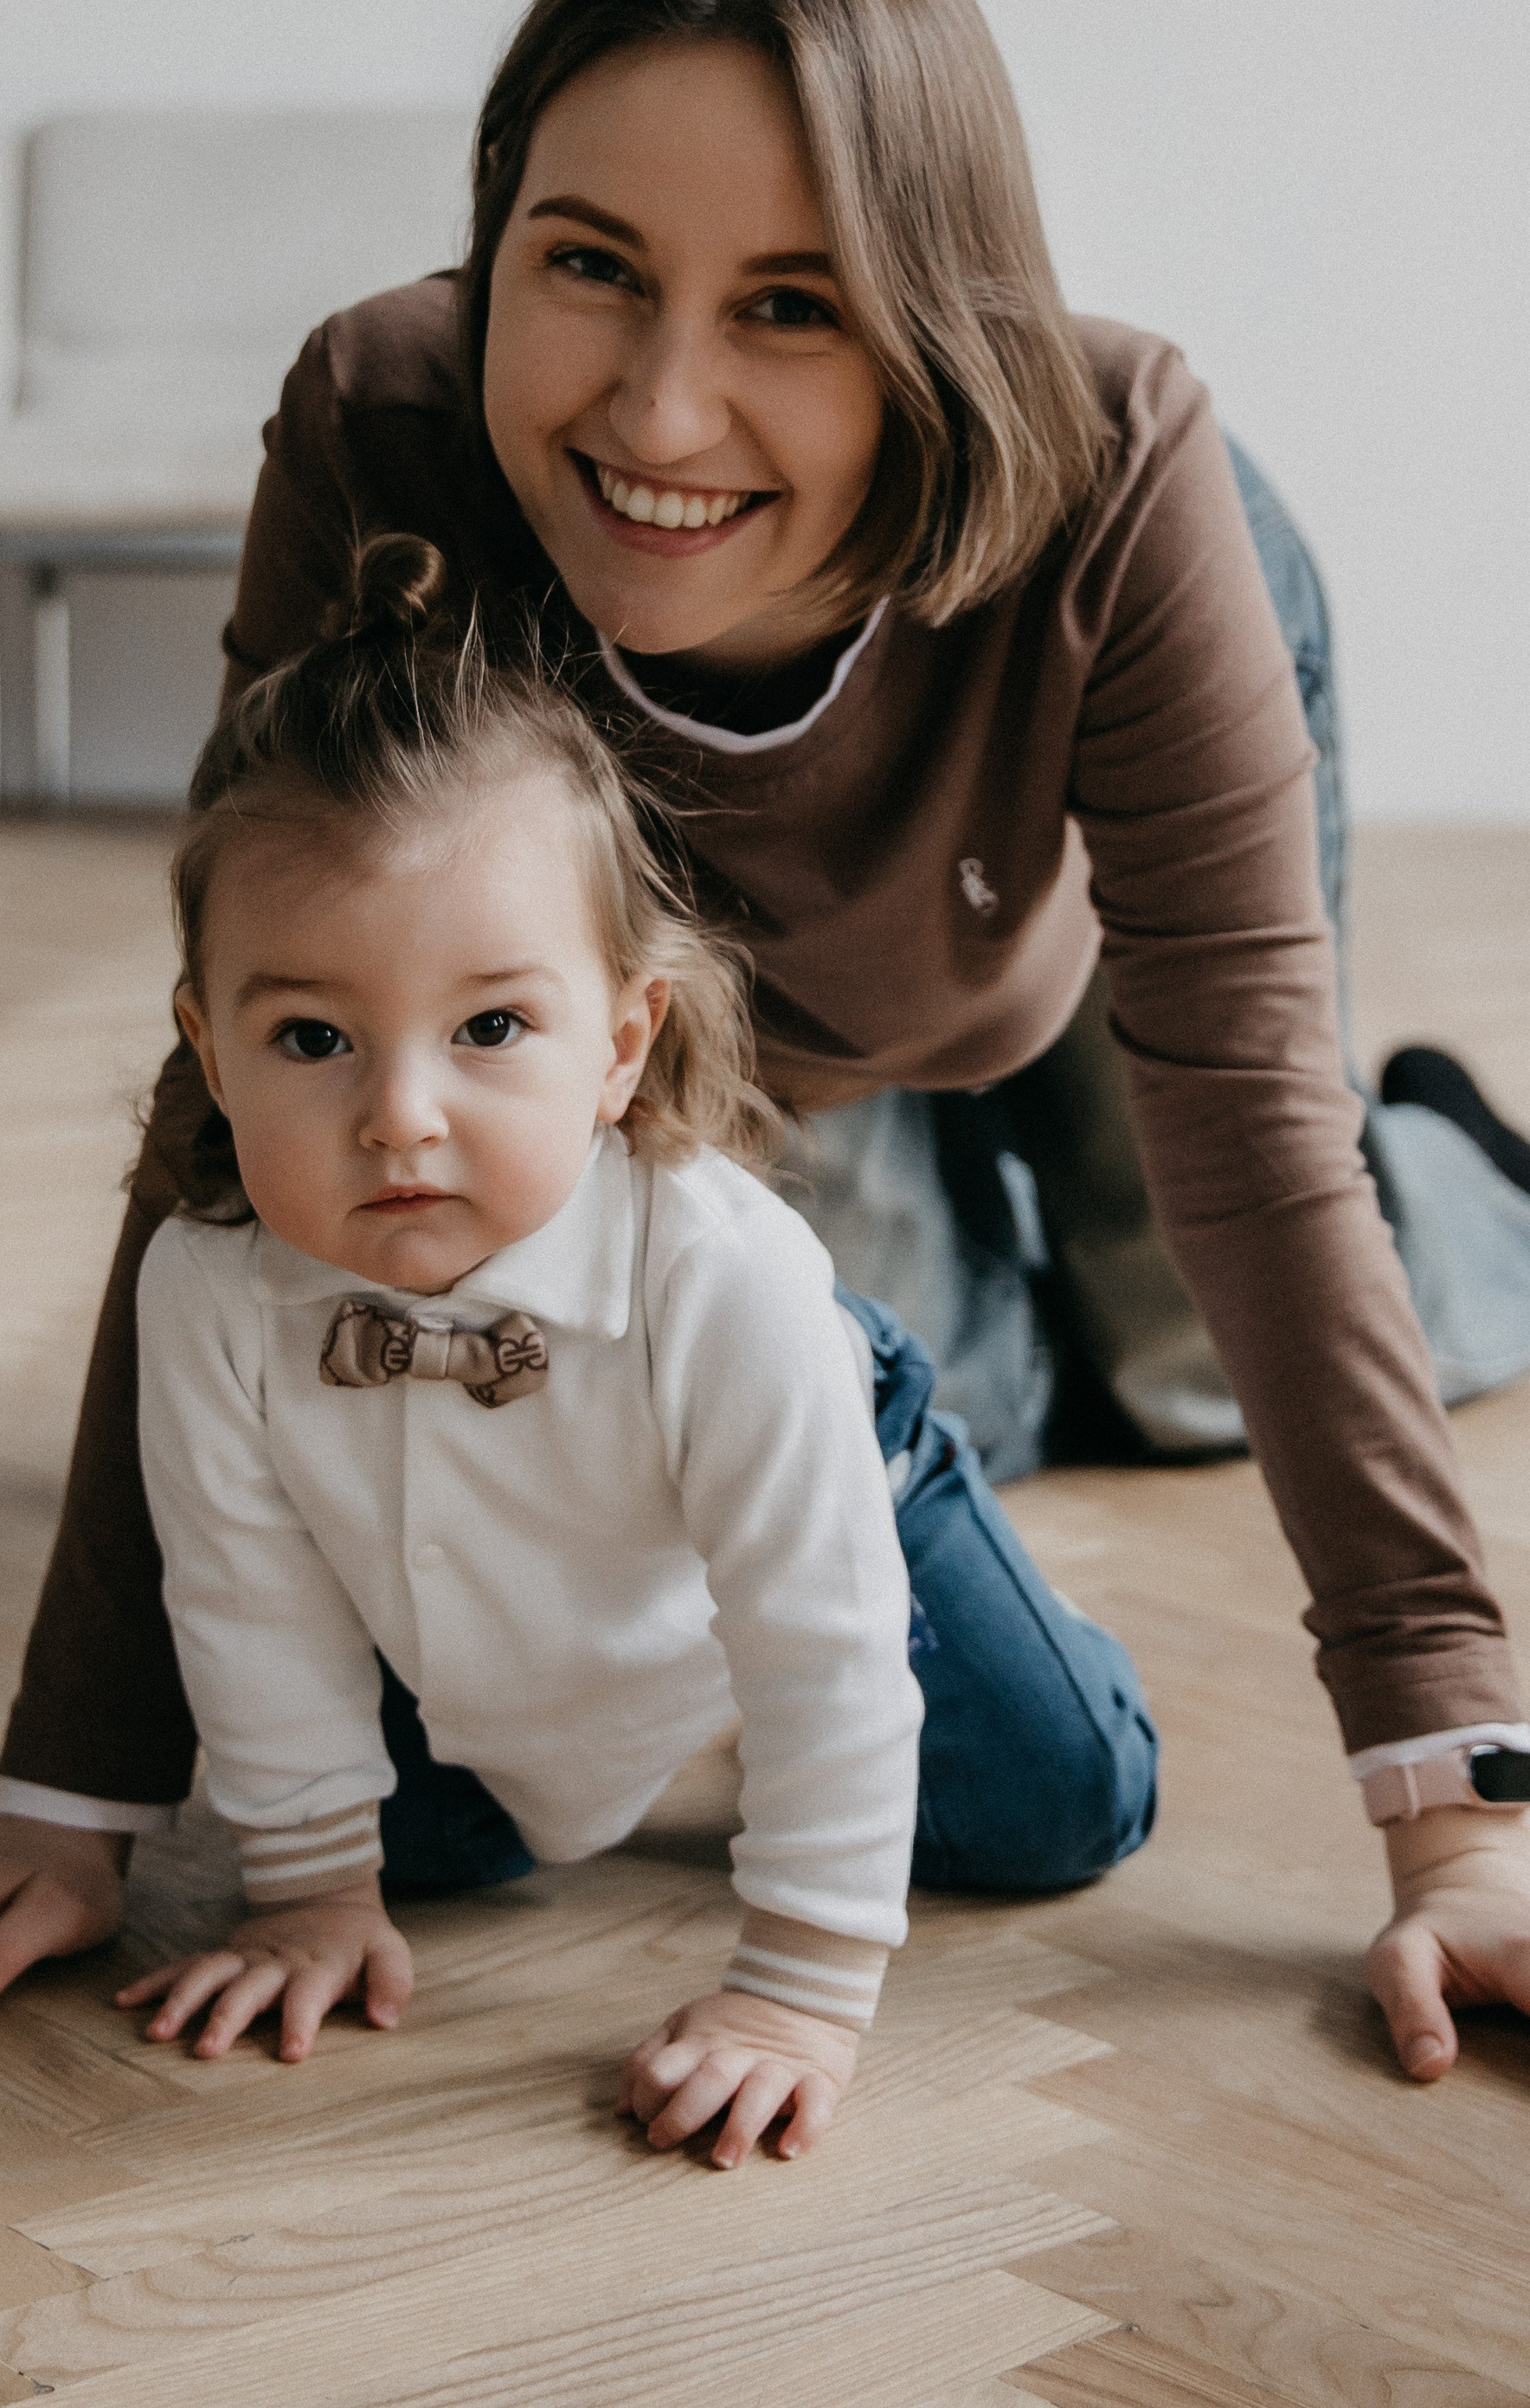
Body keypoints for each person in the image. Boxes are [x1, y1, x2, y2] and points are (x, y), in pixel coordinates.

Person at [0, 0, 1530, 2137]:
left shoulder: (1131, 474)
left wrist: (1465, 1825)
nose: (659, 407)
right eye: (587, 270)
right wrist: (69, 1800)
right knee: (846, 1382)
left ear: (933, 311)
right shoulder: (386, 428)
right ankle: (972, 1218)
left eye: (794, 305)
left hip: (1036, 942)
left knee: (1191, 1342)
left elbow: (1248, 1129)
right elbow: (240, 1093)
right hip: (724, 1033)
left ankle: (1459, 1162)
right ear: (494, 237)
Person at [104, 532, 1153, 2167]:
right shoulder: (204, 1287)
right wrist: (316, 1887)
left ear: (623, 1041)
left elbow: (814, 1638)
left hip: (829, 1467)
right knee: (421, 1853)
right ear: (210, 1048)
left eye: (493, 1029)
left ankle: (990, 1418)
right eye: (310, 1038)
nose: (398, 1117)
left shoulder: (723, 1277)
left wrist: (800, 1987)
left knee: (1056, 1806)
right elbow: (243, 1592)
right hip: (516, 1605)